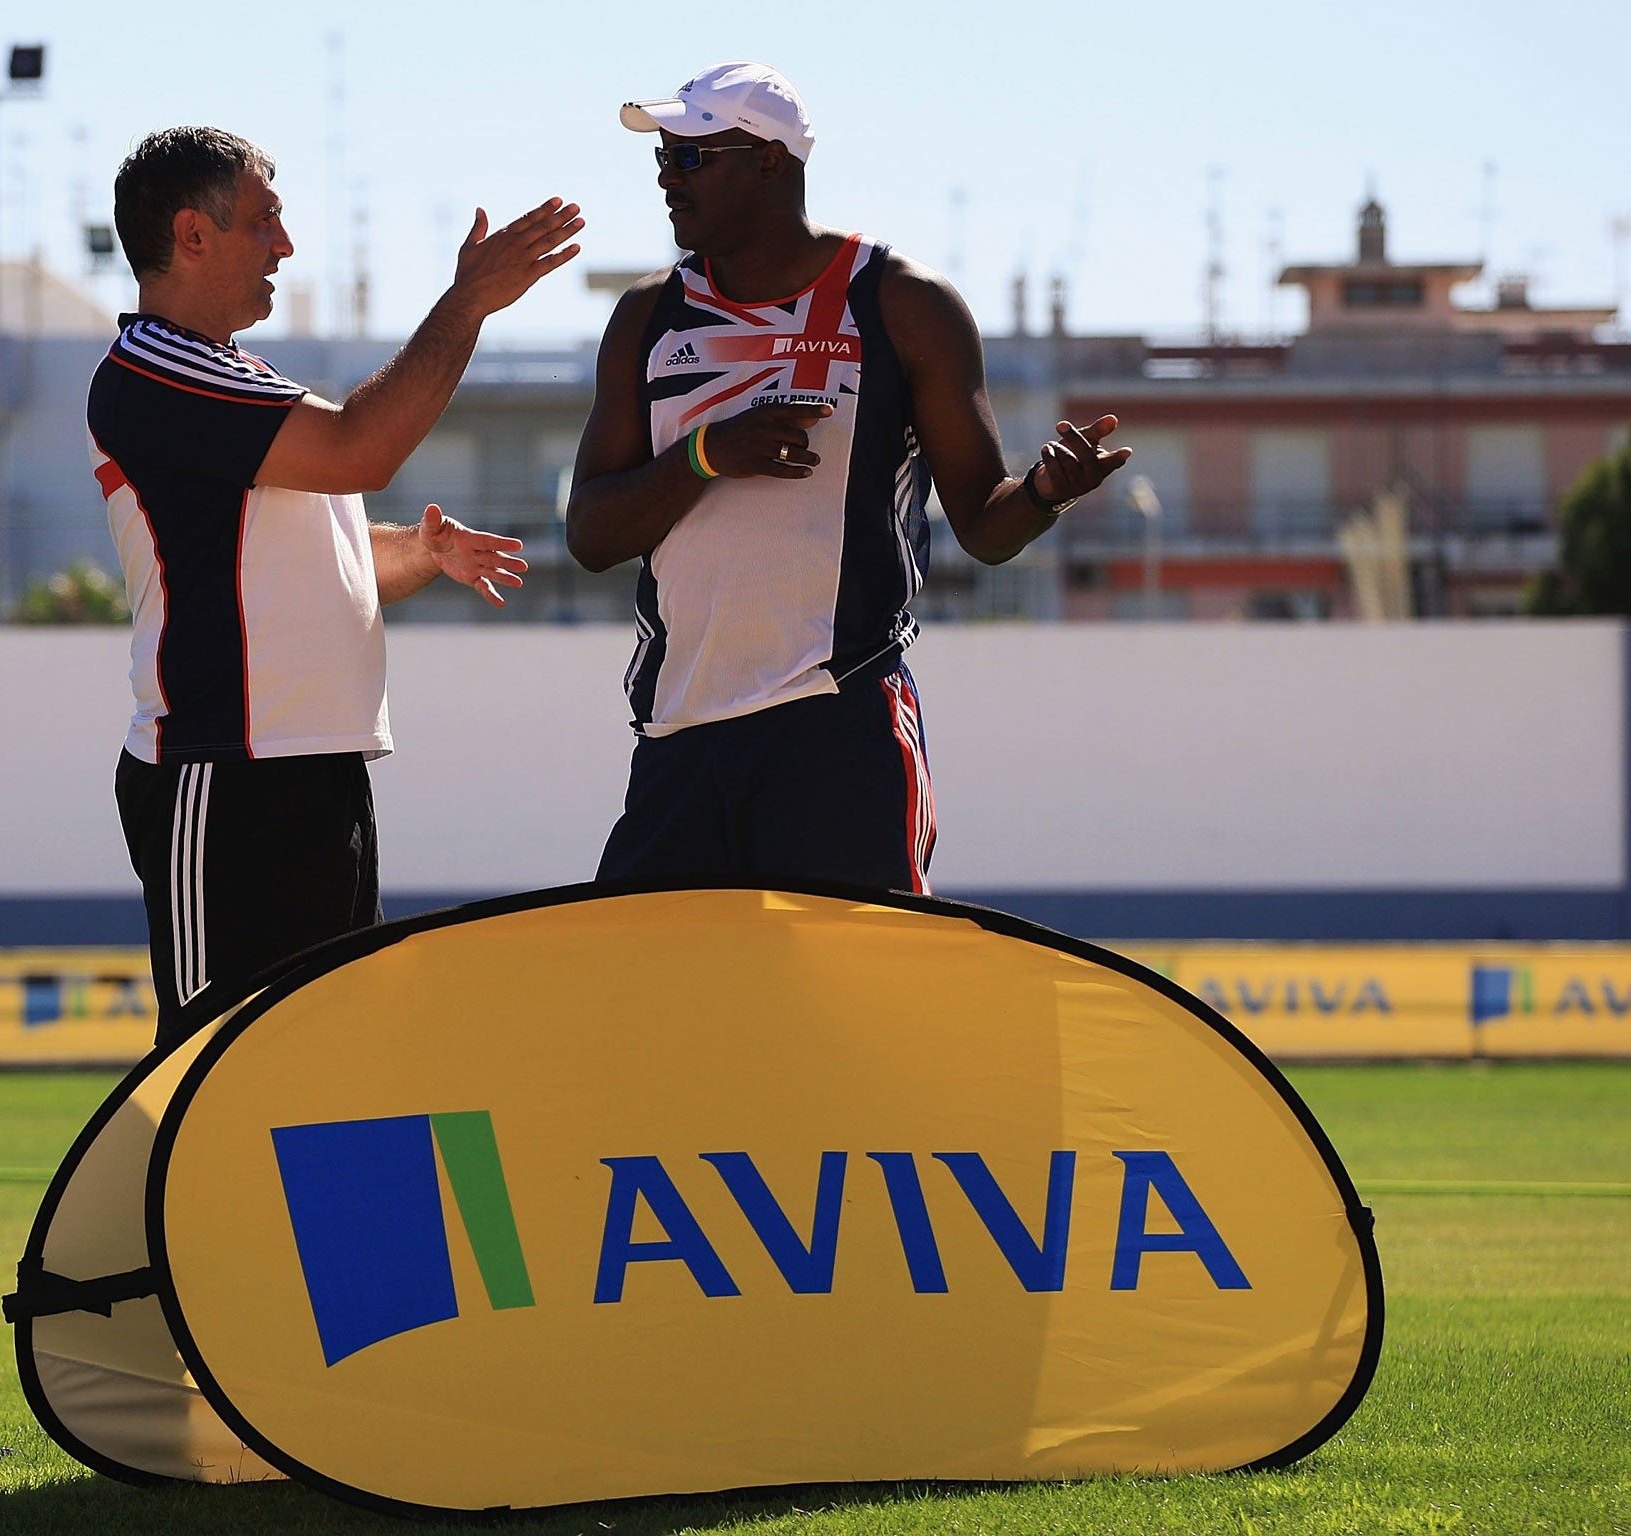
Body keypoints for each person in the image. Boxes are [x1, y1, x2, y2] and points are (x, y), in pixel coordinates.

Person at [567, 63, 1128, 896]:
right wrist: (705, 455)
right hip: (678, 734)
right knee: (658, 1011)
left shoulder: (902, 302)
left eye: (689, 158)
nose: (664, 178)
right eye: (661, 158)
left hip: (840, 725)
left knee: (858, 1007)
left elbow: (984, 526)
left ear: (768, 161)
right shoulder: (649, 314)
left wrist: (1048, 492)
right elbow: (590, 537)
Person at [91, 126, 581, 1046]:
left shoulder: (228, 375)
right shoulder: (154, 369)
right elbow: (362, 445)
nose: (285, 244)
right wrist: (467, 302)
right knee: (217, 1068)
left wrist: (420, 554)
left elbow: (325, 559)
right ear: (192, 235)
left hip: (314, 773)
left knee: (335, 1066)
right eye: (266, 220)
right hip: (223, 775)